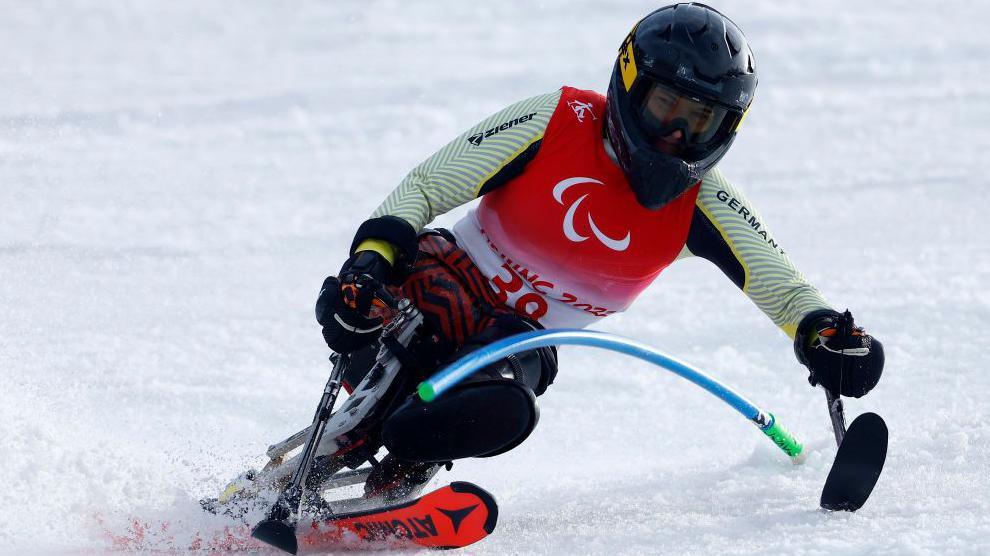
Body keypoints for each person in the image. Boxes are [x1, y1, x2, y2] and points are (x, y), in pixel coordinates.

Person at [315, 3, 884, 500]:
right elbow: (424, 190)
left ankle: (399, 475)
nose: (676, 139)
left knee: (509, 401)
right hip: (442, 281)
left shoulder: (702, 203)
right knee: (429, 324)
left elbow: (783, 289)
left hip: (522, 342)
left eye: (700, 121)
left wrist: (824, 334)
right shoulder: (558, 120)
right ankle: (338, 443)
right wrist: (370, 263)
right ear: (630, 85)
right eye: (667, 110)